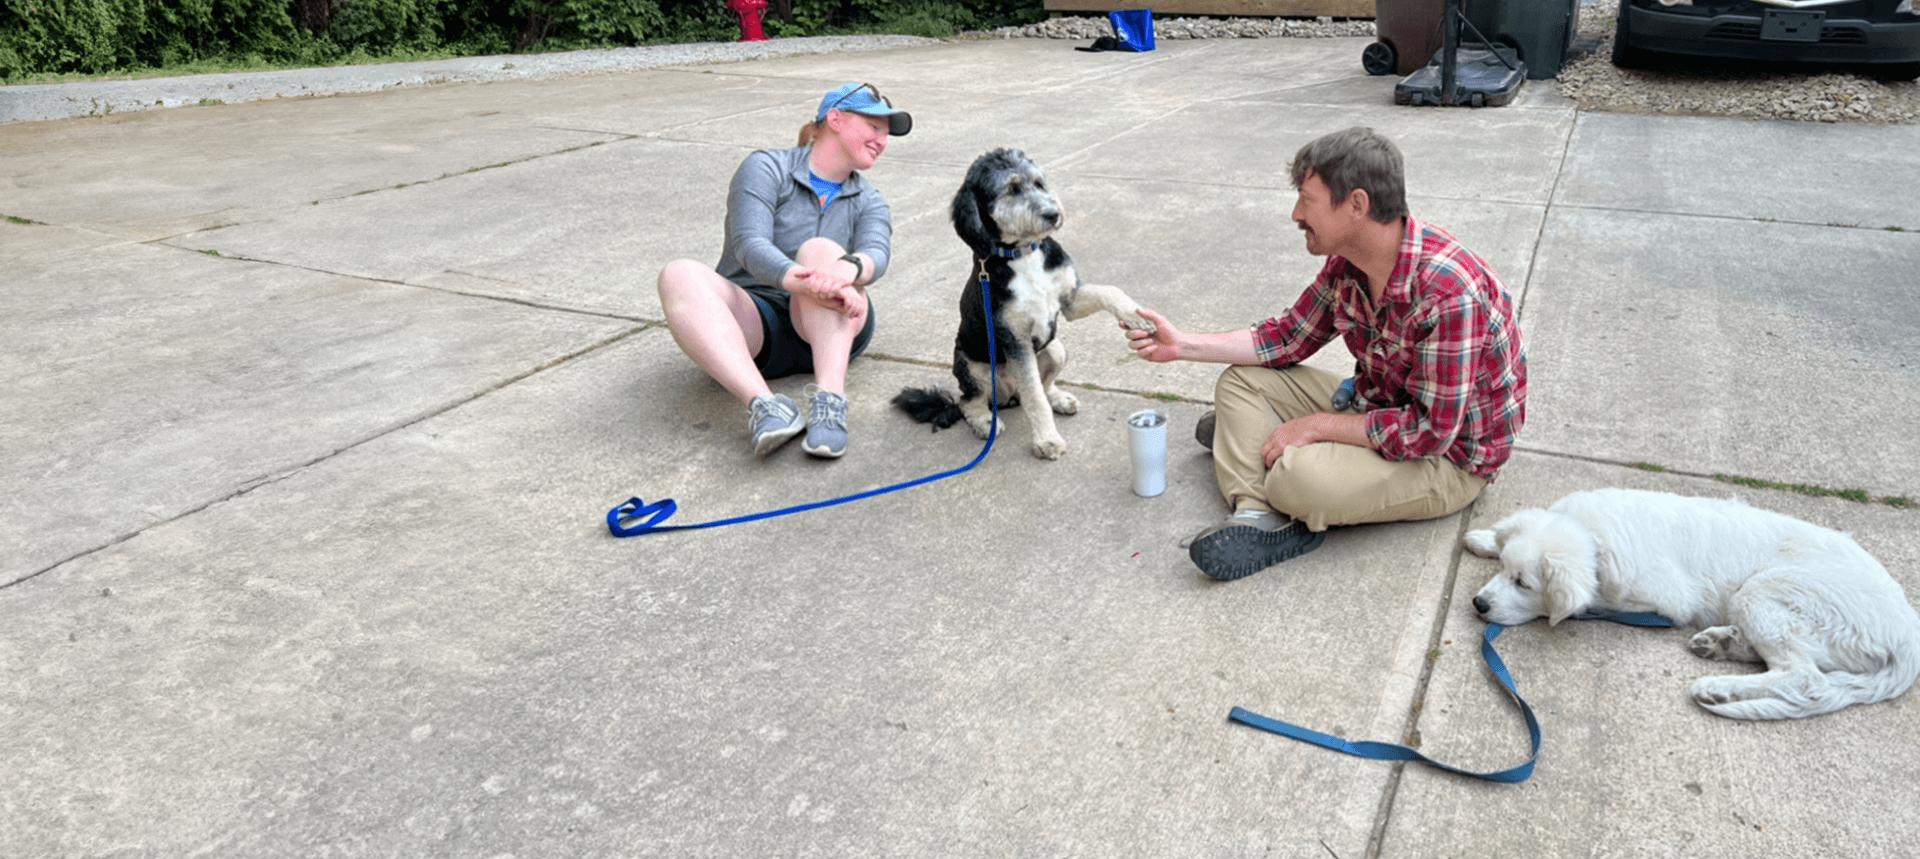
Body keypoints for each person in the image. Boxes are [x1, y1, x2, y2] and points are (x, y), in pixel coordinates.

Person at [1125, 127, 1527, 581]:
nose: (1297, 214)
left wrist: (1317, 426)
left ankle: (1257, 458)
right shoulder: (1347, 265)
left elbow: (1429, 432)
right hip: (1376, 406)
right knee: (1240, 381)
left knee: (1297, 479)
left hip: (1447, 459)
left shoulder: (1450, 293)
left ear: (1356, 205)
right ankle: (1258, 513)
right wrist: (1181, 345)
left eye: (1307, 200)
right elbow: (1285, 338)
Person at [656, 82, 910, 459]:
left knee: (820, 249)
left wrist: (842, 273)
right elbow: (749, 243)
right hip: (759, 325)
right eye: (875, 126)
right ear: (836, 119)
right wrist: (805, 282)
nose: (882, 140)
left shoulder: (869, 198)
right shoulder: (766, 167)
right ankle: (766, 406)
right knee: (677, 274)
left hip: (835, 326)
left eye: (887, 134)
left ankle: (830, 401)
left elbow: (877, 253)